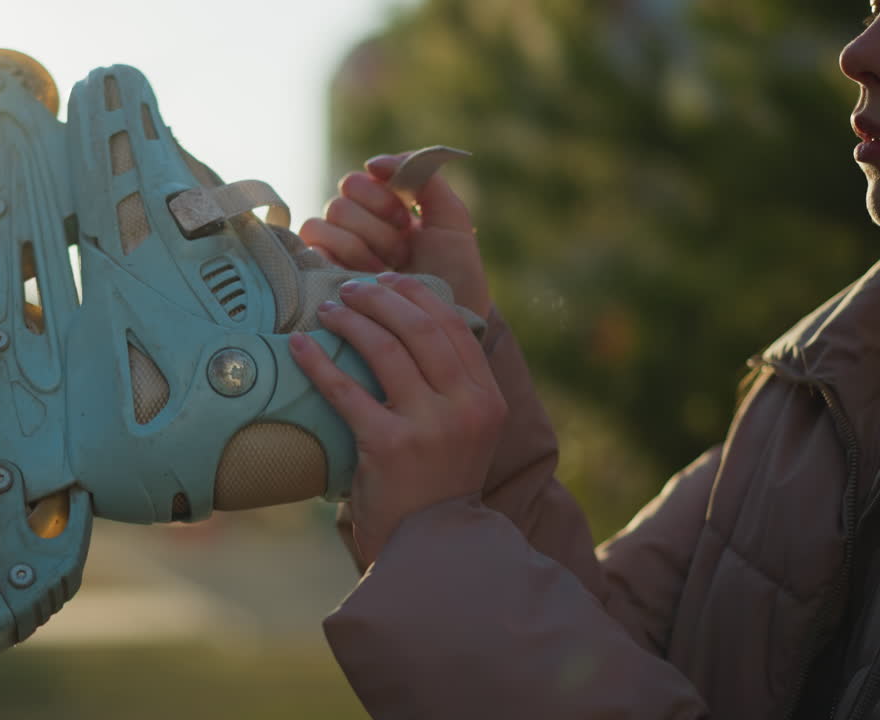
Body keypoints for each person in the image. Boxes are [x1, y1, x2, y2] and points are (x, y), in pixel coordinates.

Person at [287, 7, 880, 718]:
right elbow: (607, 647)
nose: (857, 53)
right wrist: (453, 349)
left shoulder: (829, 380)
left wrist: (437, 540)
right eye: (874, 9)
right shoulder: (822, 388)